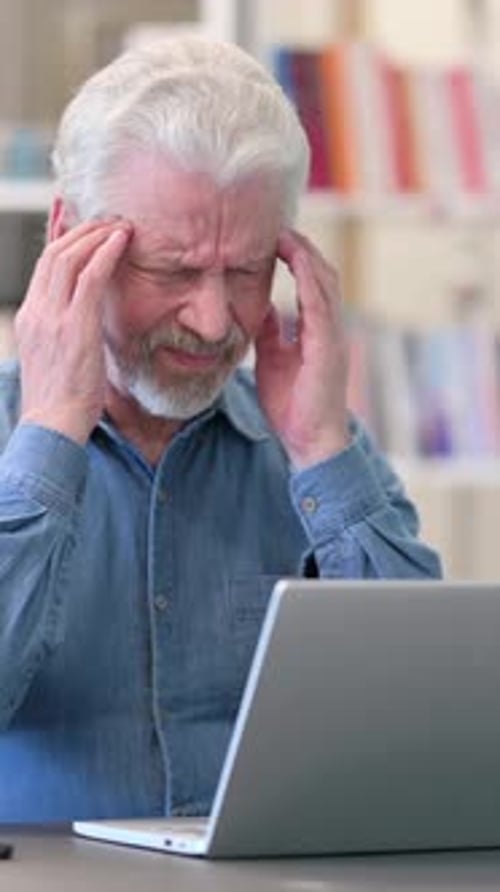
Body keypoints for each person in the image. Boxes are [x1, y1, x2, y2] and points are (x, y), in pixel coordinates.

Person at [0, 37, 441, 823]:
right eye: (171, 270)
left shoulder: (314, 446)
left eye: (244, 272)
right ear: (67, 235)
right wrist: (51, 435)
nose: (212, 322)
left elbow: (428, 725)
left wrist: (321, 450)